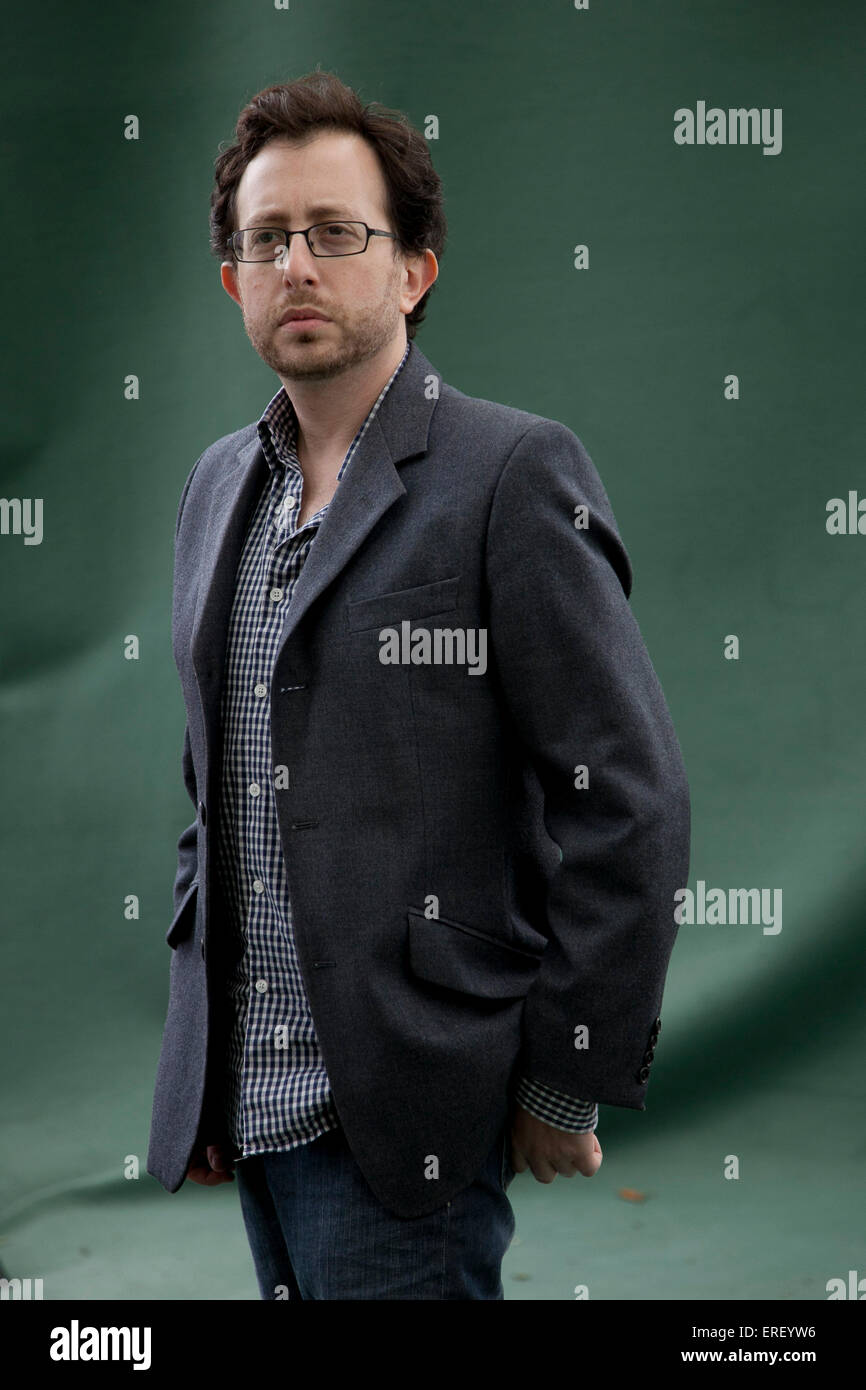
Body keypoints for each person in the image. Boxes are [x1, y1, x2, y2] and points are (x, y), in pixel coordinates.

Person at [146, 69, 691, 1300]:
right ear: (232, 278)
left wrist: (564, 1074)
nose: (298, 265)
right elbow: (214, 791)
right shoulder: (213, 488)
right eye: (266, 240)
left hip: (413, 1107)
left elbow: (630, 799)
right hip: (256, 1102)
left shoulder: (508, 474)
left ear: (414, 269)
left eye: (337, 234)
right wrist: (210, 1063)